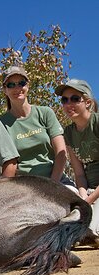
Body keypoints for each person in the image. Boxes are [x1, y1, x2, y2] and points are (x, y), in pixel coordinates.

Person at [0, 66, 75, 188]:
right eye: (11, 85)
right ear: (5, 90)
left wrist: (52, 185)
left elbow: (61, 153)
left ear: (27, 86)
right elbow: (8, 165)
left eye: (21, 83)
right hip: (24, 186)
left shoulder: (45, 113)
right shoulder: (1, 123)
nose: (17, 88)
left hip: (56, 181)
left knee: (78, 205)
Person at [55, 79, 99, 239]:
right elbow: (79, 174)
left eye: (74, 98)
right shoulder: (69, 132)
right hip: (89, 190)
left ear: (87, 102)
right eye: (64, 100)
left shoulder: (97, 123)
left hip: (96, 193)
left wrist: (88, 201)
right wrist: (82, 197)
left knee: (91, 229)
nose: (68, 104)